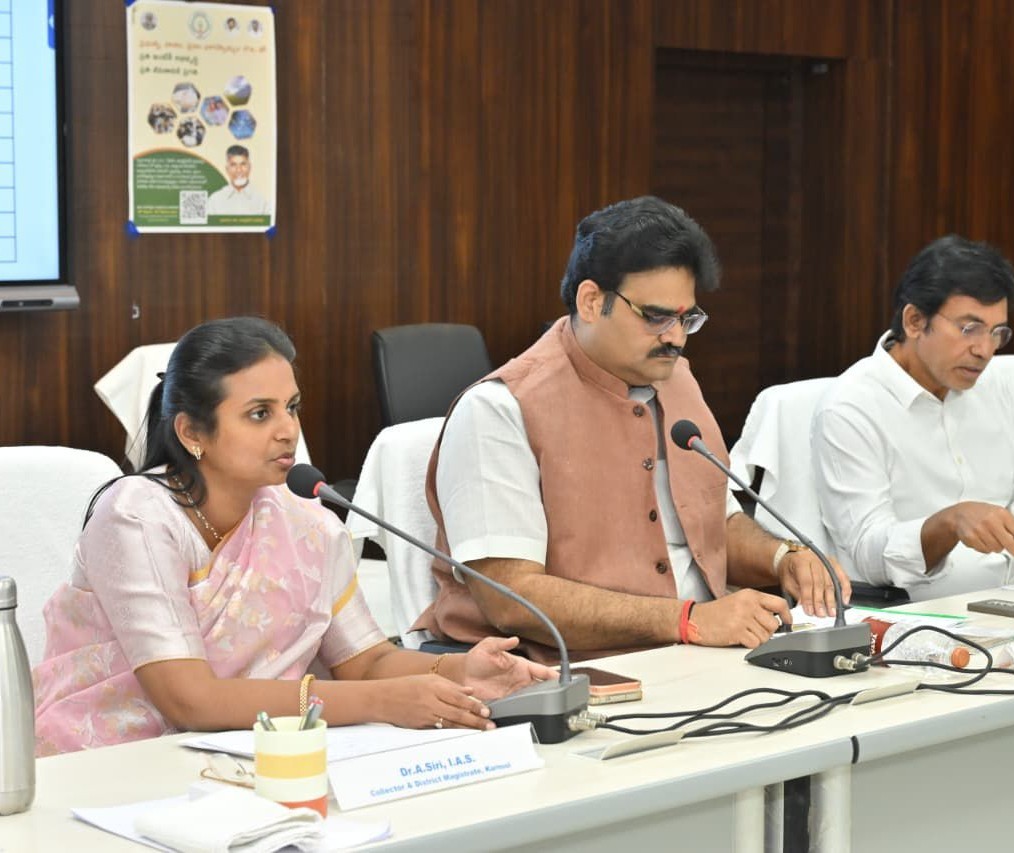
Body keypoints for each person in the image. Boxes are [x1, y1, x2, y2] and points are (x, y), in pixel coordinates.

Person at [33, 317, 554, 756]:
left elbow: (367, 661)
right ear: (191, 432)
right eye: (260, 413)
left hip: (256, 753)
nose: (288, 430)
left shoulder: (306, 523)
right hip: (113, 759)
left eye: (292, 407)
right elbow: (189, 701)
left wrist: (461, 670)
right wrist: (383, 702)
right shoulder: (138, 518)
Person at [414, 196, 851, 662]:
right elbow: (511, 599)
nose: (675, 338)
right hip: (564, 671)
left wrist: (783, 558)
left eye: (687, 319)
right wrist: (687, 620)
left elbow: (715, 525)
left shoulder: (677, 380)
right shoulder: (499, 411)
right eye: (656, 316)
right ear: (591, 301)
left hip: (699, 653)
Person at [811, 234, 1014, 600]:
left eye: (997, 333)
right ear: (914, 321)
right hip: (912, 614)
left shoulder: (995, 387)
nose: (985, 350)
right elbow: (867, 552)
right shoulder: (851, 407)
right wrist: (948, 524)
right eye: (969, 329)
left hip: (1013, 600)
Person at [206, 145, 270, 217]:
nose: (239, 170)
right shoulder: (214, 200)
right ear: (227, 169)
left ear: (249, 167)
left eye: (243, 164)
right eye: (233, 165)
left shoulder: (262, 200)